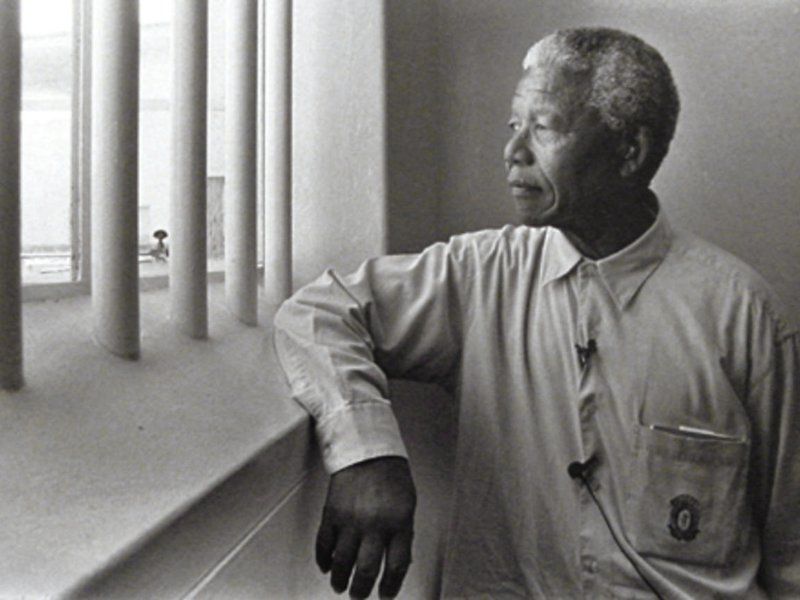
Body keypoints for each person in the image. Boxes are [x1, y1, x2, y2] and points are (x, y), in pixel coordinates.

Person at [273, 27, 800, 599]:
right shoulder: (479, 275)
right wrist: (366, 452)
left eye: (543, 128)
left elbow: (791, 554)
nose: (513, 151)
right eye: (513, 125)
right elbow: (319, 312)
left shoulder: (744, 317)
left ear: (630, 151)